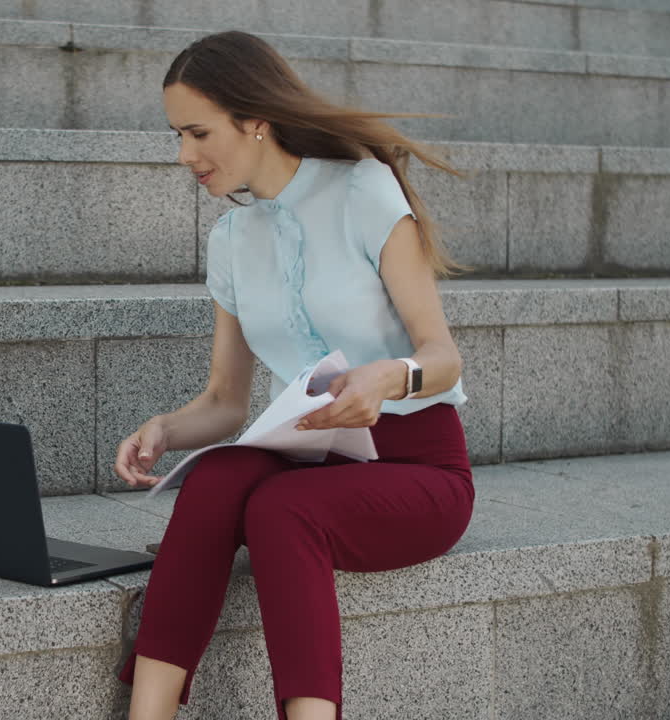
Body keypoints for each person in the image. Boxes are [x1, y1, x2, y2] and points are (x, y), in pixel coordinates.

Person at [111, 30, 476, 720]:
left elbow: (443, 356)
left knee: (282, 508)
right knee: (217, 479)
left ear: (255, 120)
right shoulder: (230, 240)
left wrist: (384, 379)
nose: (184, 155)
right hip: (310, 456)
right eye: (176, 136)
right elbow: (226, 401)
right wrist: (165, 429)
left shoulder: (363, 189)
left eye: (198, 133)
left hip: (419, 470)